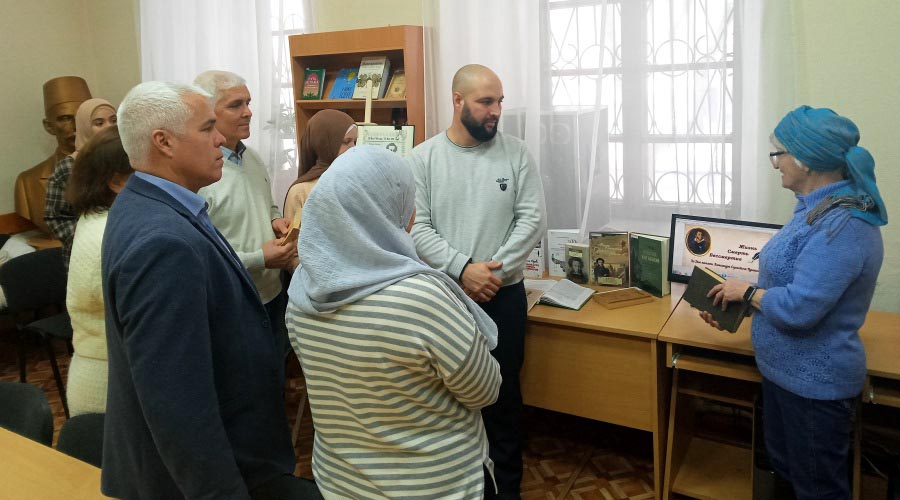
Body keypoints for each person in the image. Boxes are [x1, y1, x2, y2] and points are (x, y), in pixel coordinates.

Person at [102, 81, 308, 500]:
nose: (220, 140)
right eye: (207, 128)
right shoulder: (163, 242)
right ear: (163, 142)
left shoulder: (153, 202)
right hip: (206, 477)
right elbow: (177, 402)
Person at [286, 145, 502, 499]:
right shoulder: (422, 299)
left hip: (341, 483)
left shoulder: (302, 290)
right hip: (435, 486)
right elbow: (484, 390)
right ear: (398, 215)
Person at [699, 106, 887, 500]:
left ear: (806, 159)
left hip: (814, 389)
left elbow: (801, 308)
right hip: (783, 374)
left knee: (818, 490)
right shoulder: (813, 210)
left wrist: (746, 293)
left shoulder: (844, 225)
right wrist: (736, 303)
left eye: (778, 153)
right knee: (785, 473)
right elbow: (784, 282)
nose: (774, 164)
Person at [408, 64, 547, 498]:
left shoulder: (516, 153)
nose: (496, 110)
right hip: (446, 298)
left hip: (503, 297)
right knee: (449, 399)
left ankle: (506, 490)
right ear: (457, 101)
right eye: (486, 101)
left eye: (499, 101)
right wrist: (463, 268)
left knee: (504, 398)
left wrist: (492, 273)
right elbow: (416, 228)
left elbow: (532, 220)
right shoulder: (422, 159)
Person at [193, 70, 296, 380]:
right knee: (245, 387)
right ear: (209, 112)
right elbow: (203, 254)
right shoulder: (200, 172)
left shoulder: (252, 158)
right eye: (236, 105)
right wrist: (259, 258)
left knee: (274, 379)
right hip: (232, 303)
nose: (248, 112)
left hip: (272, 293)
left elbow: (267, 203)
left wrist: (275, 220)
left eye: (248, 103)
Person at [64, 126, 131, 416]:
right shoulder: (109, 231)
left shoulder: (99, 219)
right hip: (106, 382)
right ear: (116, 181)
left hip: (102, 371)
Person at [45, 98, 117, 269]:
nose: (109, 127)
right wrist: (91, 238)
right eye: (99, 123)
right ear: (84, 128)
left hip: (125, 245)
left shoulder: (126, 159)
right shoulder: (70, 167)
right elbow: (55, 217)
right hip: (87, 256)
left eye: (113, 121)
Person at [14, 76, 91, 235]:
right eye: (65, 118)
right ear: (49, 126)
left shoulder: (117, 170)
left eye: (82, 117)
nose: (76, 126)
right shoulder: (27, 182)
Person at [282, 109, 357, 222]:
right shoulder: (301, 192)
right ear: (323, 143)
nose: (353, 148)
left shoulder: (356, 184)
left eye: (355, 141)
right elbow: (292, 231)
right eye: (346, 141)